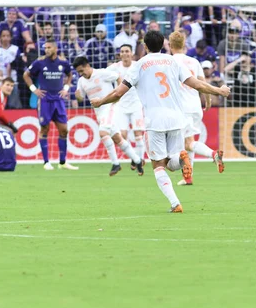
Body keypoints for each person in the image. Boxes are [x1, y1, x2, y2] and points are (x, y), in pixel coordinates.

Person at [90, 30, 231, 213]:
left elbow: (118, 92)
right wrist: (219, 91)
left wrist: (101, 101)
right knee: (172, 161)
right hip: (176, 119)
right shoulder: (173, 61)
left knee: (158, 165)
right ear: (163, 44)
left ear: (145, 46)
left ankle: (175, 203)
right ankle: (182, 160)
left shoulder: (139, 65)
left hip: (154, 121)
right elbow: (196, 84)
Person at [74, 55, 144, 176]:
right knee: (117, 138)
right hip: (99, 113)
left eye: (82, 70)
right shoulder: (81, 81)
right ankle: (137, 160)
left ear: (87, 66)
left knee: (103, 133)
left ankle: (115, 163)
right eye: (78, 72)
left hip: (111, 107)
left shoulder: (102, 73)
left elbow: (118, 78)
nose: (81, 74)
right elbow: (81, 98)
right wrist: (78, 96)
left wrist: (117, 94)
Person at [169, 31, 224, 186]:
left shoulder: (169, 61)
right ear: (184, 44)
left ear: (170, 45)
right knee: (190, 141)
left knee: (184, 145)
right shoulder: (194, 61)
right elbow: (202, 82)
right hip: (194, 106)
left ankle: (213, 154)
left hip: (180, 107)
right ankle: (188, 177)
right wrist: (207, 100)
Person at [23, 39, 78, 170]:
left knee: (64, 130)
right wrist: (33, 89)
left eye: (48, 48)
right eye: (45, 48)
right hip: (45, 100)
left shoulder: (63, 62)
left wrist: (66, 88)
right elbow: (26, 75)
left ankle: (63, 162)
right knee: (44, 129)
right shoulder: (40, 62)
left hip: (58, 100)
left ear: (55, 49)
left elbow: (70, 74)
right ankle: (46, 162)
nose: (46, 50)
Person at [110, 45, 146, 164]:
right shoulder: (114, 68)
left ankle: (140, 160)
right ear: (119, 54)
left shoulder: (138, 66)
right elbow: (102, 75)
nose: (124, 53)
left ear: (131, 54)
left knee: (138, 134)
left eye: (127, 51)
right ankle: (135, 157)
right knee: (123, 136)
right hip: (121, 105)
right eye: (122, 52)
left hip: (136, 104)